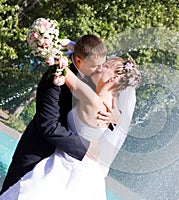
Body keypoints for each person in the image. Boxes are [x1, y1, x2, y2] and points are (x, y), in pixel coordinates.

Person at [0, 57, 141, 199]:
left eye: (106, 66)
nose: (99, 66)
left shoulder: (92, 99)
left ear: (114, 78)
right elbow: (118, 115)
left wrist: (53, 50)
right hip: (87, 166)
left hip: (69, 160)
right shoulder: (112, 102)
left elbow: (66, 73)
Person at [0, 34, 108, 195]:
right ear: (78, 61)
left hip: (69, 165)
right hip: (38, 153)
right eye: (96, 66)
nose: (101, 70)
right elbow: (48, 126)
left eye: (102, 65)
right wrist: (84, 147)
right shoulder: (55, 76)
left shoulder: (92, 76)